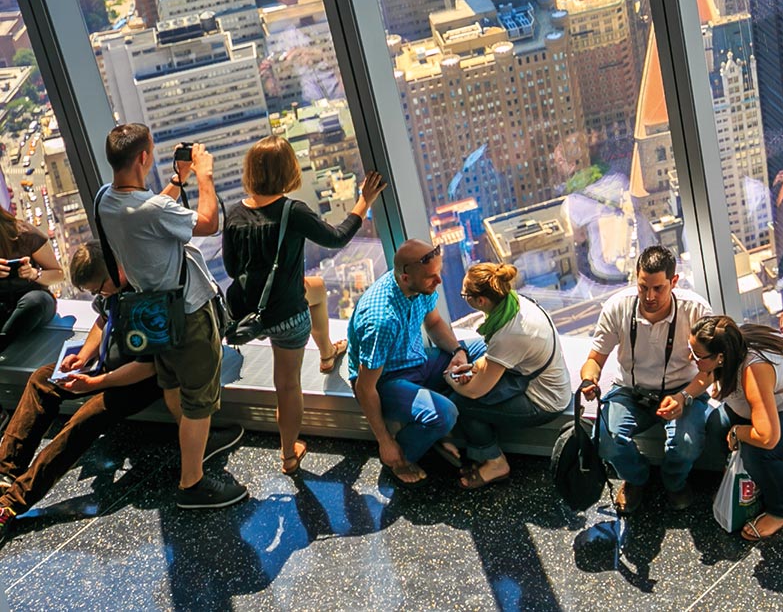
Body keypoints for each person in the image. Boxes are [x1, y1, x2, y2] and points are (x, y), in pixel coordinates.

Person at [93, 125, 246, 510]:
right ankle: (192, 482)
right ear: (144, 158)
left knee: (174, 381)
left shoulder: (105, 199)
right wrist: (205, 177)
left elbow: (153, 215)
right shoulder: (153, 209)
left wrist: (179, 179)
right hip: (187, 311)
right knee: (199, 396)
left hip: (152, 310)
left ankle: (195, 440)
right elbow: (209, 223)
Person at [221, 135, 385, 476]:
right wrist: (363, 202)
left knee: (319, 287)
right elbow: (336, 237)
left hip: (247, 313)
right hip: (285, 315)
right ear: (289, 171)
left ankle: (327, 353)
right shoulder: (291, 211)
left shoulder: (235, 213)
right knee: (288, 386)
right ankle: (288, 454)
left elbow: (232, 268)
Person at [0, 244, 164, 534]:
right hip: (105, 366)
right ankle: (5, 471)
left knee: (86, 418)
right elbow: (102, 320)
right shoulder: (110, 291)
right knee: (42, 380)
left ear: (117, 272)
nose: (98, 296)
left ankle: (13, 502)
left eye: (99, 289)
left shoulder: (146, 300)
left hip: (137, 379)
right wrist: (84, 356)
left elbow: (148, 366)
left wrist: (95, 383)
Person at [578, 246, 716, 512]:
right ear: (636, 278)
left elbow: (709, 372)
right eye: (643, 287)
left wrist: (684, 396)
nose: (649, 296)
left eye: (658, 289)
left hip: (681, 388)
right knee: (606, 440)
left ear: (674, 282)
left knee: (686, 445)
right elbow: (594, 360)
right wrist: (589, 380)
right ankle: (636, 479)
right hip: (631, 390)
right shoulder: (618, 306)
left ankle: (674, 482)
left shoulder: (696, 310)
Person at [693, 313, 783, 542]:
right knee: (716, 423)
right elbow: (711, 378)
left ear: (720, 357)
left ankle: (782, 510)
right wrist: (683, 395)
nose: (691, 358)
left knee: (757, 450)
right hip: (778, 405)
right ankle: (745, 479)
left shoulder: (755, 369)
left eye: (697, 355)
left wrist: (738, 432)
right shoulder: (732, 339)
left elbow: (767, 438)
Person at [348, 238, 486, 485]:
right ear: (405, 278)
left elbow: (433, 323)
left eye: (439, 272)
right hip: (387, 378)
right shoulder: (381, 319)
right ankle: (401, 456)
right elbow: (364, 387)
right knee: (445, 413)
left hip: (416, 359)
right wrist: (384, 441)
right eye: (431, 277)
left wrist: (458, 352)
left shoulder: (421, 287)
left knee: (485, 348)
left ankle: (432, 431)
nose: (440, 281)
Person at [446, 263, 572, 490]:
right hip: (534, 377)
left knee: (460, 404)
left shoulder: (510, 334)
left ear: (481, 301)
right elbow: (495, 356)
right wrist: (473, 368)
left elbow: (475, 391)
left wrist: (450, 378)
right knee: (470, 358)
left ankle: (495, 462)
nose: (463, 297)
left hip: (543, 401)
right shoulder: (515, 303)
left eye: (465, 294)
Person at [0, 204, 59, 349]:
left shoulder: (23, 233)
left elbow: (58, 274)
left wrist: (33, 273)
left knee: (34, 302)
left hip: (33, 300)